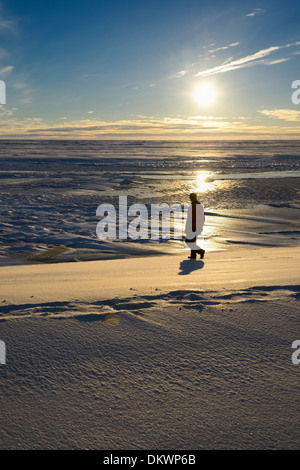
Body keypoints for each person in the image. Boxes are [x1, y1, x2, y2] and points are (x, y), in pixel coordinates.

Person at [184, 192, 205, 259]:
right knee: (192, 241)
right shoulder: (197, 205)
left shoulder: (195, 205)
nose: (190, 199)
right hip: (195, 226)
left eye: (191, 197)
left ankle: (200, 251)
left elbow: (192, 218)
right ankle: (193, 255)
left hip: (193, 226)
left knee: (189, 241)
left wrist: (193, 227)